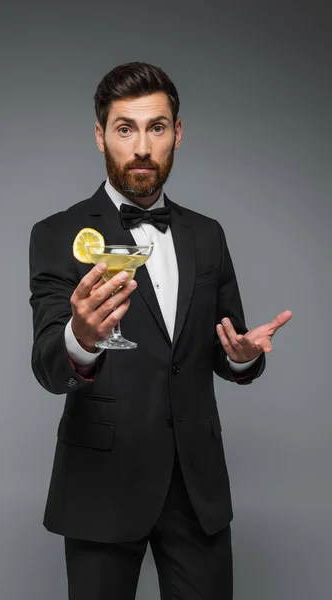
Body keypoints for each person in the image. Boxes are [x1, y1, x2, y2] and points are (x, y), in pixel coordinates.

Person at [29, 61, 292, 600]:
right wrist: (81, 335)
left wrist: (241, 355)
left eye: (157, 127)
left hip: (196, 487)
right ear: (101, 135)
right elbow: (49, 366)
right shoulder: (58, 234)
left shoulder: (207, 235)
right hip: (101, 483)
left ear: (178, 133)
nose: (142, 146)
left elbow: (228, 347)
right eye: (125, 128)